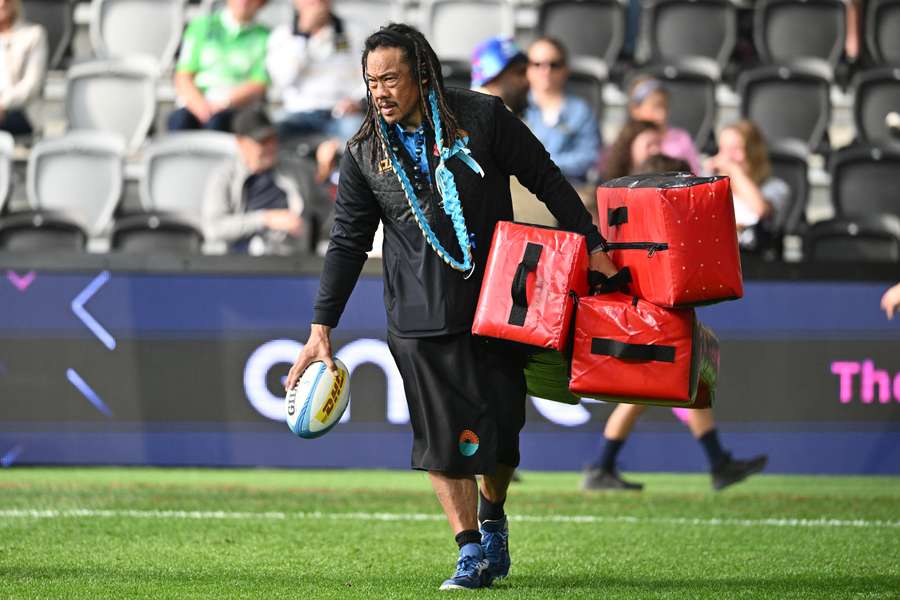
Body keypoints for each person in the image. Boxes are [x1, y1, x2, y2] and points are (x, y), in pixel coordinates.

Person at [284, 23, 617, 591]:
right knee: (440, 437)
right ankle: (468, 549)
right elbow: (346, 242)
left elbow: (548, 180)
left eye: (390, 78)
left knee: (504, 428)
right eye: (371, 82)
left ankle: (493, 517)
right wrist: (321, 328)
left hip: (499, 302)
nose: (380, 91)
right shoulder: (364, 150)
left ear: (422, 73)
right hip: (417, 315)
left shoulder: (484, 118)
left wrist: (595, 244)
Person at [202, 107, 325, 254]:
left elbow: (328, 213)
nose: (270, 146)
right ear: (241, 143)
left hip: (292, 263)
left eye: (272, 139)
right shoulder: (224, 175)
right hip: (236, 266)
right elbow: (213, 228)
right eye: (261, 141)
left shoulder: (298, 171)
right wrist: (266, 219)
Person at [266, 0, 365, 181]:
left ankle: (346, 186)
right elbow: (283, 80)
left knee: (360, 135)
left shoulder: (354, 31)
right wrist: (303, 35)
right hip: (297, 113)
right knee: (269, 135)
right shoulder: (282, 35)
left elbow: (368, 76)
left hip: (340, 112)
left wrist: (357, 101)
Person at [470, 35, 555, 228]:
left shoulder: (493, 115)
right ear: (494, 75)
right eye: (519, 72)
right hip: (508, 246)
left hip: (519, 241)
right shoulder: (488, 118)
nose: (527, 80)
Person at [169, 0, 270, 132]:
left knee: (217, 124)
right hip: (195, 105)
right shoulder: (201, 26)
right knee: (180, 122)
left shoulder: (265, 36)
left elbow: (258, 83)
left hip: (235, 108)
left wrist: (224, 103)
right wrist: (200, 106)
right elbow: (183, 75)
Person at [705, 120, 790, 254]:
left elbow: (760, 210)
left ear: (755, 152)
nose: (727, 157)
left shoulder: (776, 187)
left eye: (735, 149)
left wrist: (734, 170)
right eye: (723, 149)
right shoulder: (710, 186)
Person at [524, 37, 601, 184]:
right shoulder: (512, 107)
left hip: (569, 190)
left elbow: (590, 156)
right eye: (537, 64)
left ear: (566, 69)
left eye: (554, 64)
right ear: (527, 69)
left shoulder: (581, 111)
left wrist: (542, 164)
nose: (545, 71)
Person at [627, 76, 701, 174]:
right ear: (635, 110)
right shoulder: (627, 140)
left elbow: (695, 173)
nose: (662, 113)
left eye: (665, 106)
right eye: (655, 107)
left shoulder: (681, 137)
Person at [0, 0, 47, 136]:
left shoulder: (34, 34)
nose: (2, 3)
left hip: (21, 112)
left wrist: (2, 104)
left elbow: (31, 85)